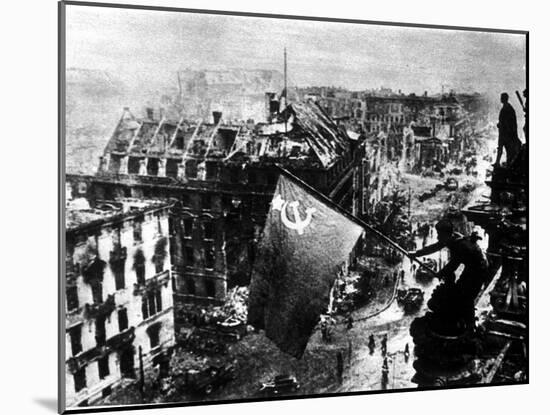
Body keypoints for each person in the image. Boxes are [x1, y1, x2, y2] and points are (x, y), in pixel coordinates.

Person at [408, 219, 489, 330]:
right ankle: (461, 317)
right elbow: (434, 247)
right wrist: (416, 254)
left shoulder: (460, 245)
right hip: (471, 266)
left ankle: (470, 326)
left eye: (439, 234)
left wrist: (441, 273)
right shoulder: (451, 238)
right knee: (459, 291)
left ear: (446, 233)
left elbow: (453, 265)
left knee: (466, 296)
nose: (438, 237)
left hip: (479, 269)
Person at [495, 92, 522, 166]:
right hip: (504, 133)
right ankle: (498, 162)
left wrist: (502, 126)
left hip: (506, 134)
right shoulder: (507, 108)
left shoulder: (508, 109)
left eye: (502, 98)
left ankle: (504, 164)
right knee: (501, 148)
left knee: (506, 149)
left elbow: (510, 122)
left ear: (504, 99)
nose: (501, 99)